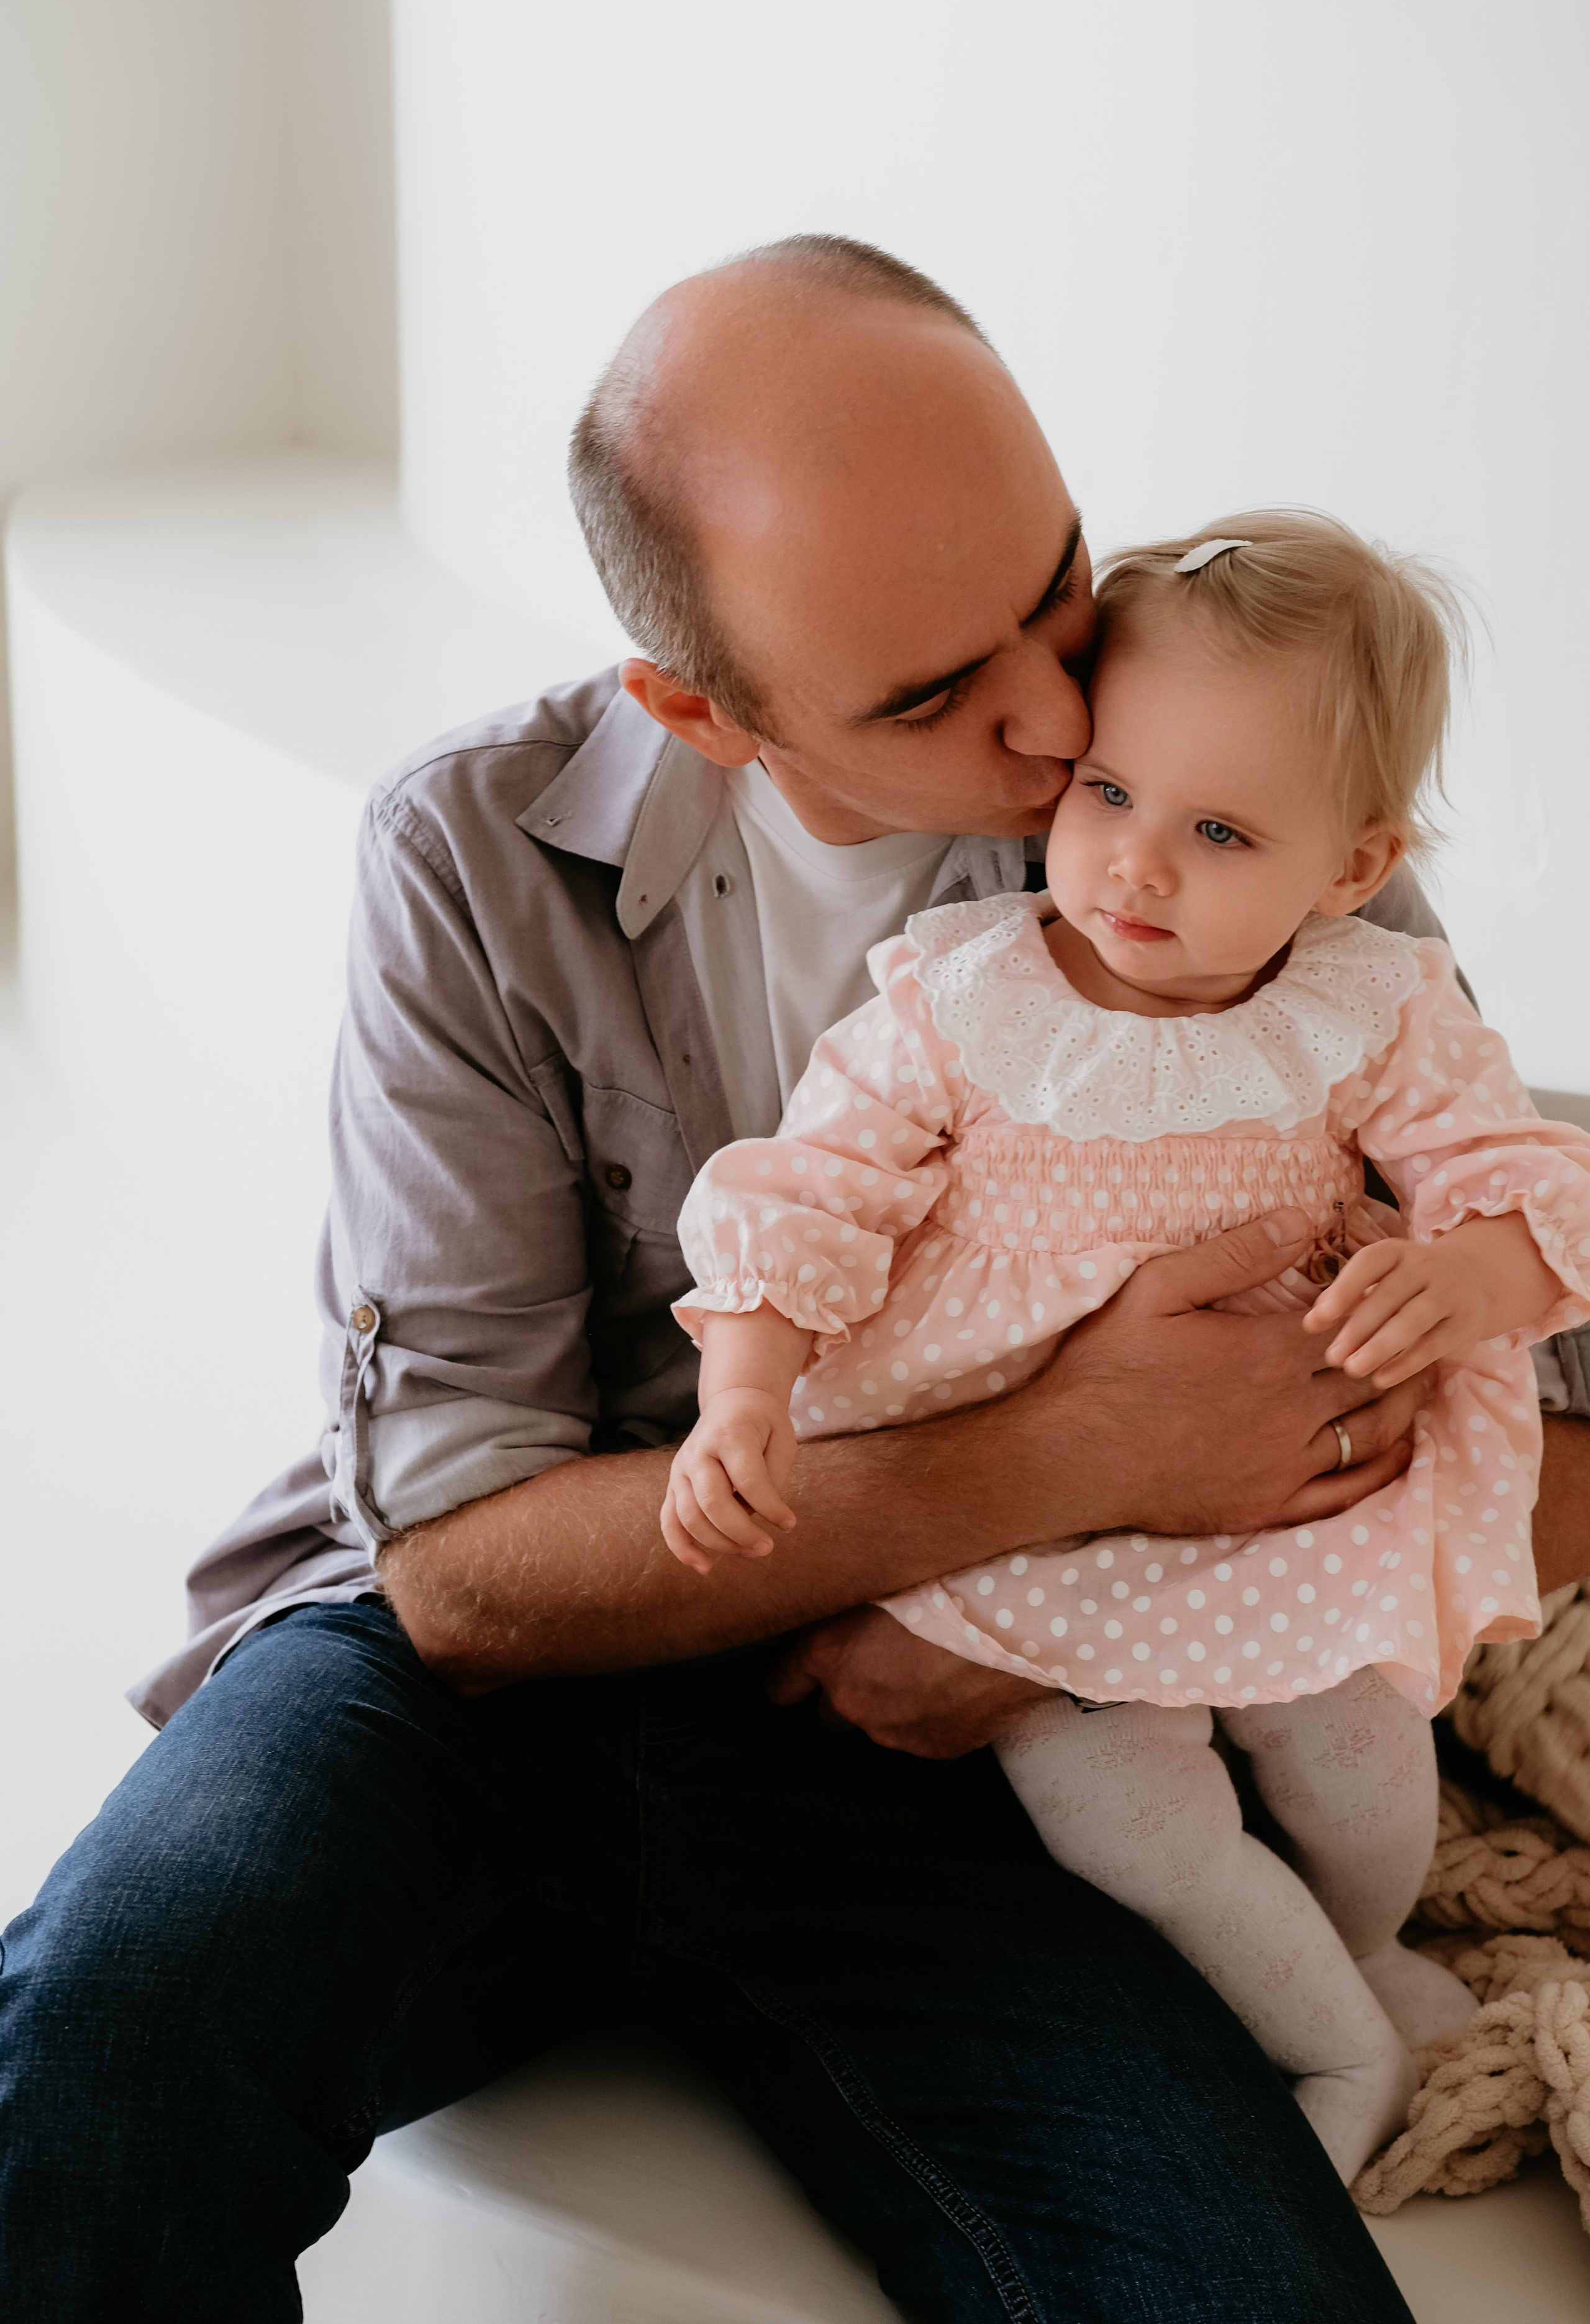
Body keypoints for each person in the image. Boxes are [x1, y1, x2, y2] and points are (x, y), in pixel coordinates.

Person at [4, 237, 1588, 2320]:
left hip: (991, 1742)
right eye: (933, 690)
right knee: (98, 2065)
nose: (1051, 723)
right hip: (485, 1700)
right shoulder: (471, 854)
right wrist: (1064, 1459)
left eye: (1054, 584)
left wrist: (1058, 1625)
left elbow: (1533, 1407)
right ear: (705, 707)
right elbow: (466, 1574)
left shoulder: (1227, 795)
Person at [663, 509, 1590, 2186]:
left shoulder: (1369, 1006)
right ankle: (1329, 2031)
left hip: (1285, 1499)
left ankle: (1368, 1938)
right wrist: (744, 1394)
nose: (1135, 866)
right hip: (1026, 1514)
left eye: (1221, 829)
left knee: (1371, 1763)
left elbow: (1523, 1174)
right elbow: (806, 1194)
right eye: (1108, 795)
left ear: (1354, 865)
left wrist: (1475, 1269)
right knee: (1129, 1820)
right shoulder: (960, 999)